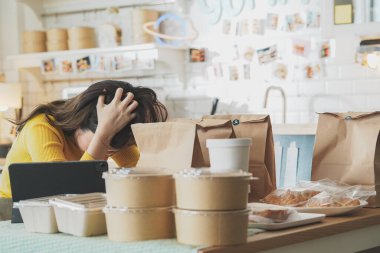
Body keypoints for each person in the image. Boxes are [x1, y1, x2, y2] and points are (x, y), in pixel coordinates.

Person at [0, 80, 167, 220]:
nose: (107, 153)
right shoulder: (41, 127)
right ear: (80, 125)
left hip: (51, 211)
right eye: (104, 143)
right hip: (12, 208)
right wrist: (102, 135)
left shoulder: (112, 138)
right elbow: (64, 193)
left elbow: (145, 172)